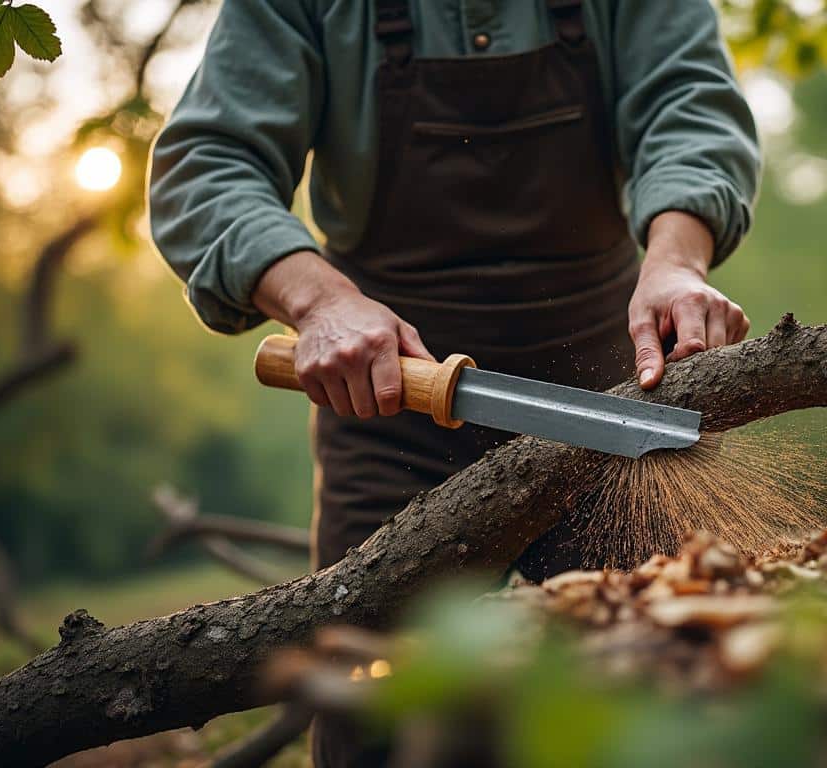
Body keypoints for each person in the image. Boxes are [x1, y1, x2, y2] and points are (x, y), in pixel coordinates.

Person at [149, 0, 759, 762]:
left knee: (654, 690)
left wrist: (677, 258)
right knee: (376, 706)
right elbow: (208, 164)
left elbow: (691, 110)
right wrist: (320, 301)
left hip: (609, 396)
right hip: (387, 399)